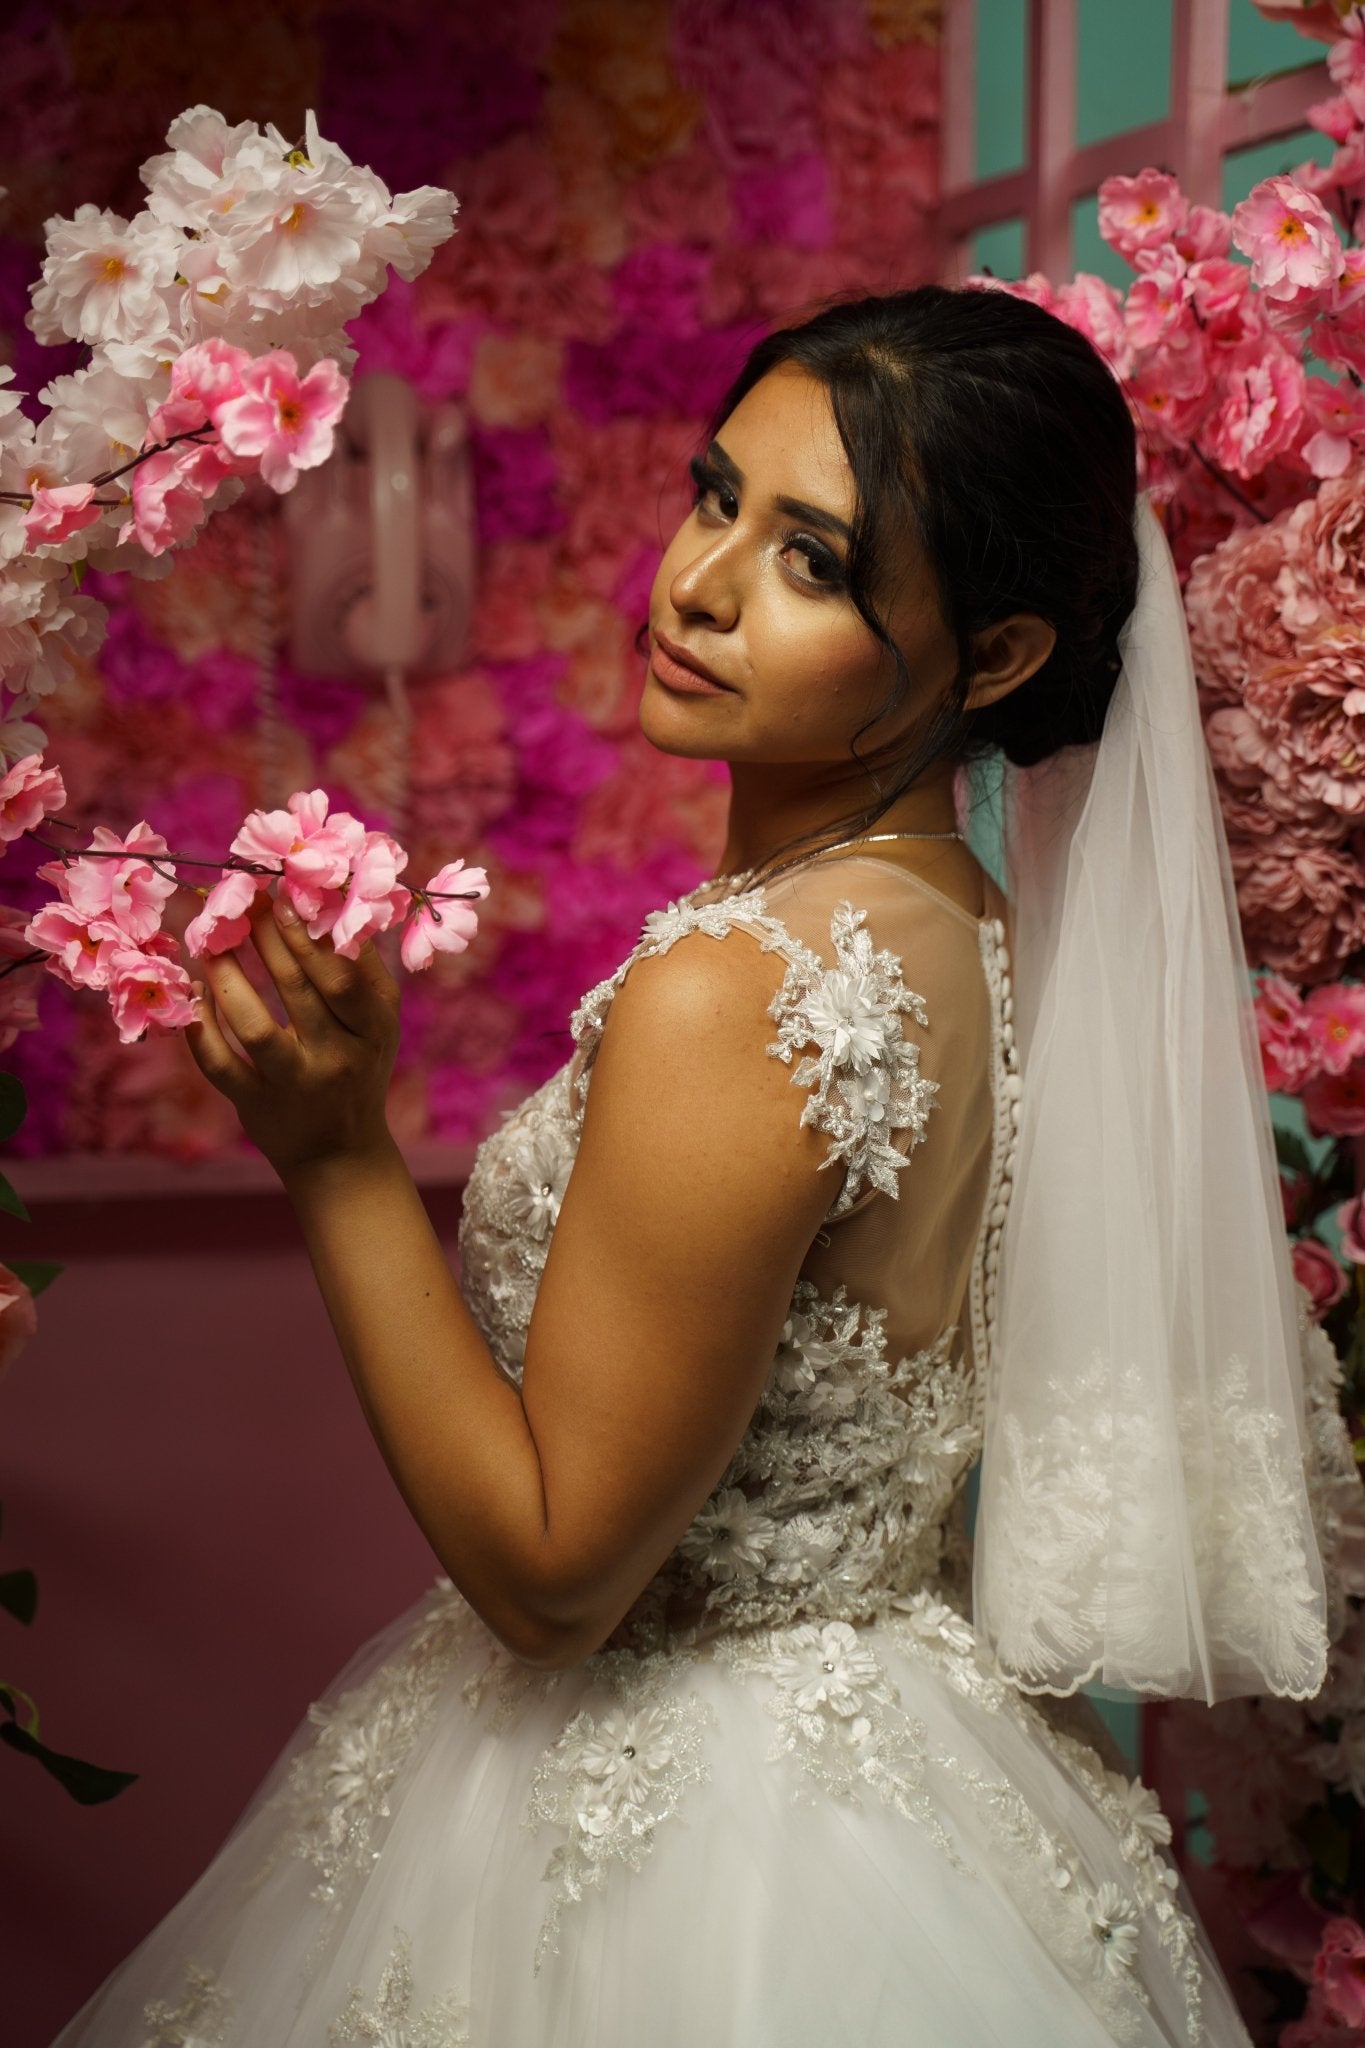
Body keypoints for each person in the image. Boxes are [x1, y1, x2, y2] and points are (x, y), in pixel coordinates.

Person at [52, 284, 1338, 2046]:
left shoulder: (745, 988)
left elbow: (559, 1576)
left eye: (813, 559)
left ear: (1001, 656)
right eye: (714, 493)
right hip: (910, 1761)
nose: (700, 581)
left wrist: (338, 1160)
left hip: (695, 1821)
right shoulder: (970, 927)